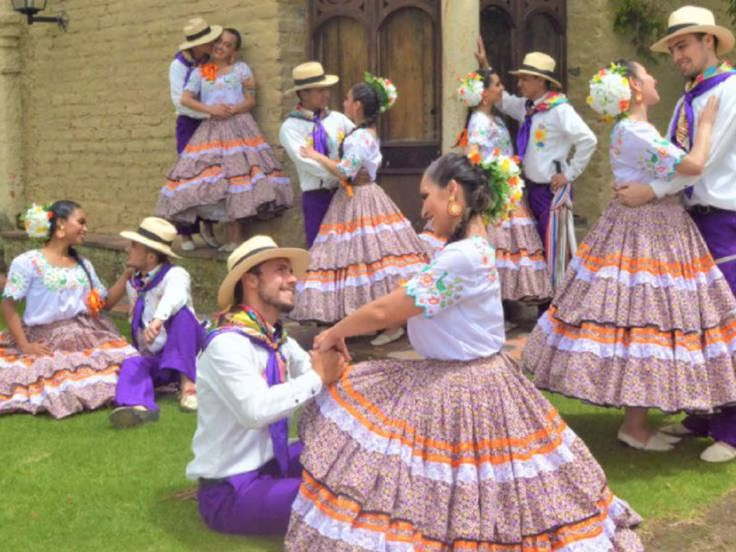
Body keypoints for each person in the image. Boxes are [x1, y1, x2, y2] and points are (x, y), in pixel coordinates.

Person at [285, 152, 643, 550]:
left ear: (452, 191)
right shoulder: (472, 247)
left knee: (456, 475)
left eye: (428, 196)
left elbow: (389, 309)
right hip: (473, 376)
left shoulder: (462, 257)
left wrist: (334, 332)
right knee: (469, 475)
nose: (423, 208)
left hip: (465, 382)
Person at [523, 60, 736, 454]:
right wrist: (705, 129)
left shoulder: (633, 129)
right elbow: (692, 165)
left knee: (645, 322)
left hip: (647, 222)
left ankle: (647, 420)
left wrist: (652, 186)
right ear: (636, 88)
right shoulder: (635, 130)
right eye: (649, 75)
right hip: (645, 230)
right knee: (643, 319)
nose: (657, 78)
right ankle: (634, 426)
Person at [615, 6, 736, 463]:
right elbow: (671, 156)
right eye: (672, 49)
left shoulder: (729, 91)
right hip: (691, 218)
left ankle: (731, 428)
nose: (677, 56)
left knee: (726, 324)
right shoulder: (694, 94)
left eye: (683, 45)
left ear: (709, 40)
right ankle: (702, 414)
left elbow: (694, 163)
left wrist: (650, 190)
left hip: (723, 218)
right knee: (695, 323)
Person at [186, 235, 347, 536]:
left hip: (276, 463)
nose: (293, 279)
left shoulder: (275, 339)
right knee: (338, 502)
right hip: (233, 489)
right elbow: (255, 411)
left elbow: (314, 370)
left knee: (351, 451)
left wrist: (332, 353)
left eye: (290, 271)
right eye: (282, 271)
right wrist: (317, 377)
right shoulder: (227, 344)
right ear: (251, 280)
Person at [290, 73, 428, 346]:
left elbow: (345, 170)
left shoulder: (359, 137)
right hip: (357, 197)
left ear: (358, 106)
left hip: (360, 199)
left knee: (373, 259)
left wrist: (317, 156)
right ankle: (371, 320)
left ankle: (391, 323)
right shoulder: (362, 133)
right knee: (361, 261)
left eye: (348, 99)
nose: (344, 102)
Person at [158, 28, 293, 253]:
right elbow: (186, 98)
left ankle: (236, 238)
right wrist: (210, 109)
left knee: (238, 179)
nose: (221, 47)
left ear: (235, 52)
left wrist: (233, 109)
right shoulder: (204, 70)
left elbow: (251, 99)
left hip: (239, 129)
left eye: (228, 44)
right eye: (219, 42)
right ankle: (201, 231)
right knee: (215, 179)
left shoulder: (241, 69)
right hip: (211, 131)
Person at [477, 43, 597, 295]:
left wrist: (569, 174)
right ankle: (545, 303)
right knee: (541, 248)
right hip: (532, 189)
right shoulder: (530, 107)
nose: (519, 84)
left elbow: (588, 140)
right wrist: (485, 66)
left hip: (551, 191)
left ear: (541, 81)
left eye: (524, 79)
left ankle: (556, 306)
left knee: (555, 248)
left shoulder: (560, 110)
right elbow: (503, 100)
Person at [0, 201, 136, 418]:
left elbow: (105, 303)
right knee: (62, 380)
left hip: (86, 333)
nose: (86, 228)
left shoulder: (83, 264)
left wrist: (127, 273)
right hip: (46, 337)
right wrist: (24, 345)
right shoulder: (28, 262)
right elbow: (8, 304)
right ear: (61, 224)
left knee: (129, 362)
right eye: (81, 222)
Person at [456, 68, 552, 304]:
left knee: (508, 246)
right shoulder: (478, 121)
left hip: (507, 187)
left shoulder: (495, 118)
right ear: (484, 94)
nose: (502, 89)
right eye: (497, 85)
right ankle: (492, 302)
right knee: (499, 246)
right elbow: (473, 155)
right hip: (495, 188)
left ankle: (503, 302)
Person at [109, 217, 205, 428]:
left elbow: (175, 296)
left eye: (134, 246)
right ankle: (138, 407)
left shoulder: (175, 274)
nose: (128, 249)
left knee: (182, 317)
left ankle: (188, 384)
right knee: (133, 363)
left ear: (151, 256)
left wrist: (158, 320)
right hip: (158, 355)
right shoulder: (134, 282)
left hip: (186, 351)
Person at [279, 62, 355, 248]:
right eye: (319, 91)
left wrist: (349, 169)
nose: (326, 95)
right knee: (321, 248)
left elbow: (357, 145)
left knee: (349, 246)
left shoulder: (338, 119)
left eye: (326, 90)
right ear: (303, 94)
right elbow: (306, 162)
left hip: (345, 191)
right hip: (317, 195)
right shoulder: (291, 128)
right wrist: (340, 171)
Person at [169, 16, 223, 251]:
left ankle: (208, 225)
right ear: (195, 45)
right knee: (189, 178)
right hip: (190, 124)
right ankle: (186, 232)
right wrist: (208, 113)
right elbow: (179, 101)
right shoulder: (179, 65)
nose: (212, 45)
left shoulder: (207, 63)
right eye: (208, 42)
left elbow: (211, 91)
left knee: (212, 177)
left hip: (209, 123)